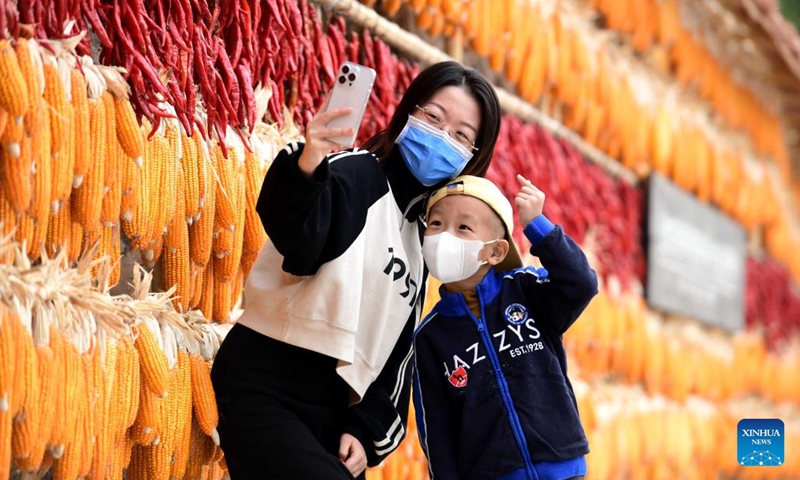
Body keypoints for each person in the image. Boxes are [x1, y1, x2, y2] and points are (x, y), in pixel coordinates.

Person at [210, 60, 502, 480]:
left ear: (473, 158)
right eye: (434, 118)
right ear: (408, 114)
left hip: (332, 419)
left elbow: (397, 358)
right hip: (266, 386)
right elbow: (301, 238)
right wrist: (309, 163)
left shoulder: (424, 238)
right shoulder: (358, 174)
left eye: (460, 135)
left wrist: (366, 432)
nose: (442, 138)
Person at [412, 174, 598, 480]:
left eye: (463, 227)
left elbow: (581, 284)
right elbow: (438, 433)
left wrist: (538, 226)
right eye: (436, 224)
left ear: (495, 251)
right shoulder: (430, 337)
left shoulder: (526, 290)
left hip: (562, 467)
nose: (445, 236)